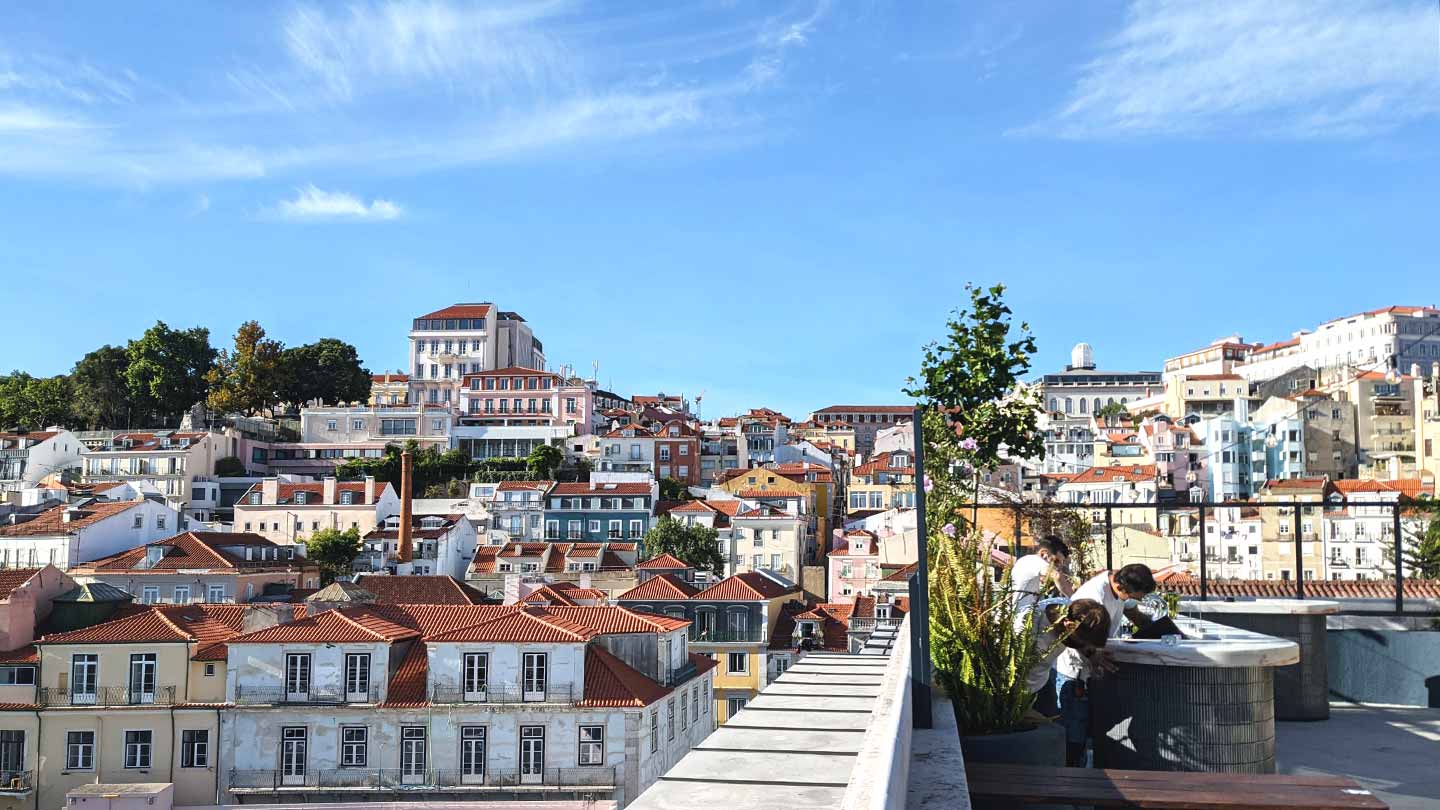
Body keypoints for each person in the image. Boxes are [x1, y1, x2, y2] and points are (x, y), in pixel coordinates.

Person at [1054, 563, 1158, 766]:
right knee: (1074, 737)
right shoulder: (1094, 596)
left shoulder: (1119, 589)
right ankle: (1071, 786)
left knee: (1088, 735)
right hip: (1073, 673)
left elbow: (1134, 613)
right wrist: (1093, 656)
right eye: (1137, 595)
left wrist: (1159, 629)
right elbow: (1073, 634)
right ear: (1123, 588)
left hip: (1091, 672)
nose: (1139, 599)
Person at [1010, 535, 1078, 714]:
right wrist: (1078, 600)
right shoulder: (1030, 561)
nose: (1058, 567)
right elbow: (1056, 576)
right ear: (1044, 554)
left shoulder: (1029, 573)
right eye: (1056, 561)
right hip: (1021, 635)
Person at [1024, 598, 1109, 718]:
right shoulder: (1029, 630)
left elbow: (1081, 638)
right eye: (1083, 642)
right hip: (1018, 692)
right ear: (1069, 625)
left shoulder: (1071, 610)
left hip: (1042, 681)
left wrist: (1092, 655)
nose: (1085, 646)